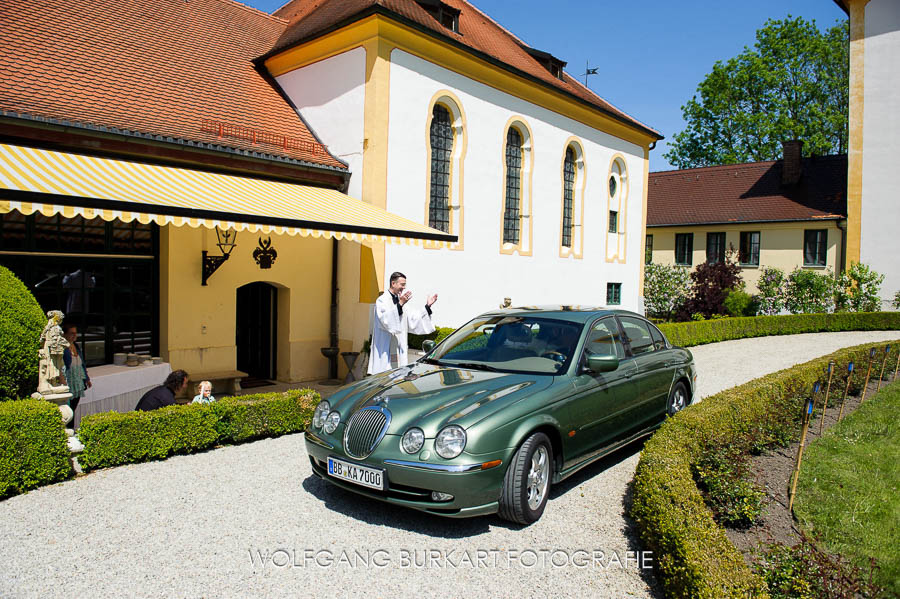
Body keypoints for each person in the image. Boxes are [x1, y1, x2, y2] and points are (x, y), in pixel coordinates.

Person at [367, 271, 438, 375]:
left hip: (399, 350)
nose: (404, 287)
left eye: (405, 285)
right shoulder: (382, 301)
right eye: (402, 284)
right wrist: (399, 305)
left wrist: (427, 307)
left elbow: (413, 320)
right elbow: (386, 321)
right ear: (393, 283)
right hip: (385, 352)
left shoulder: (402, 303)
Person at [62, 324, 91, 423]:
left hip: (77, 382)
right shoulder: (63, 348)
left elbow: (82, 363)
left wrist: (87, 379)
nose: (74, 335)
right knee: (68, 410)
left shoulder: (76, 346)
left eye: (75, 333)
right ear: (65, 334)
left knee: (73, 409)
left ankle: (72, 429)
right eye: (71, 333)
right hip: (69, 381)